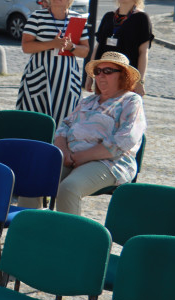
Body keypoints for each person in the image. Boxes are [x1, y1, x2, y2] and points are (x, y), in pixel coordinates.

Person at [53, 52, 146, 216]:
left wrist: (83, 156)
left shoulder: (131, 100)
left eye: (108, 71)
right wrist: (64, 152)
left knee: (68, 188)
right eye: (98, 71)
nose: (101, 76)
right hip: (71, 157)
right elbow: (64, 127)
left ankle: (71, 239)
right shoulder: (88, 101)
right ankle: (30, 230)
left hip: (110, 162)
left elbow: (124, 140)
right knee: (36, 178)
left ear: (123, 76)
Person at [16, 0, 91, 126]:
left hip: (66, 80)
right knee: (34, 120)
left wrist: (72, 47)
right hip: (39, 77)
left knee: (65, 121)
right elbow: (26, 47)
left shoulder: (76, 19)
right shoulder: (36, 17)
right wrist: (53, 44)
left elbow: (85, 51)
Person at [90, 0, 153, 97]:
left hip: (127, 75)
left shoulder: (141, 18)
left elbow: (143, 52)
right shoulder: (109, 16)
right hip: (103, 74)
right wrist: (90, 76)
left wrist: (140, 81)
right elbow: (98, 47)